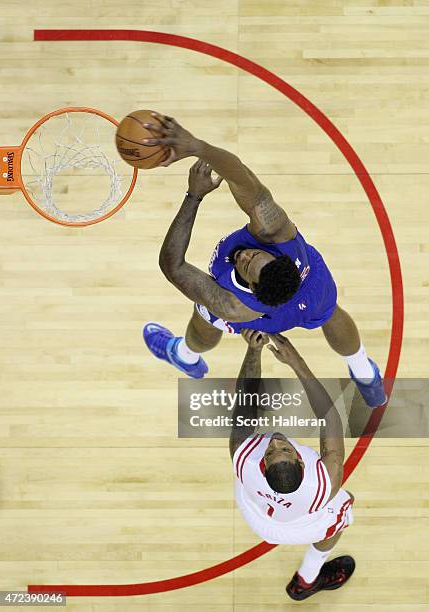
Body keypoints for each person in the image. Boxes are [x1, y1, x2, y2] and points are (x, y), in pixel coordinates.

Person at [142, 114, 386, 408]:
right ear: (275, 253)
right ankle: (365, 374)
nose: (244, 255)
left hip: (256, 314)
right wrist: (197, 147)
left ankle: (185, 356)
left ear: (253, 288)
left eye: (245, 265)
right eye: (255, 254)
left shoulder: (234, 304)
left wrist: (194, 196)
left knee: (205, 316)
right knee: (330, 312)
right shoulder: (275, 231)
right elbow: (241, 177)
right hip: (311, 288)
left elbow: (173, 267)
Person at [231, 329, 355, 601]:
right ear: (300, 459)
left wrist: (253, 351)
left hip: (258, 516)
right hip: (300, 522)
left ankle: (307, 579)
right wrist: (296, 362)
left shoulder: (244, 459)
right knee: (341, 513)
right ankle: (307, 580)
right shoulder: (325, 484)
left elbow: (245, 400)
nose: (275, 441)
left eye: (272, 450)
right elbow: (330, 417)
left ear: (262, 467)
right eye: (282, 448)